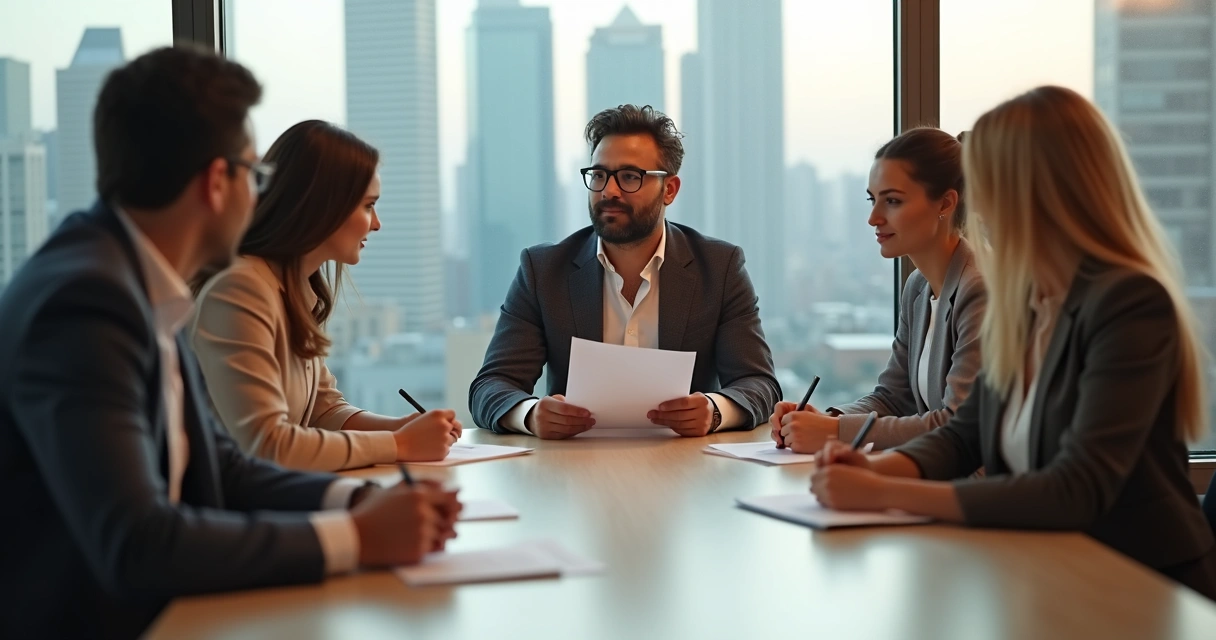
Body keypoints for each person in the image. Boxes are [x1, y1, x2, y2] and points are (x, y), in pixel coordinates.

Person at [0, 47, 460, 638]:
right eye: (255, 175)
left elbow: (224, 467)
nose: (260, 195)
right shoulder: (86, 304)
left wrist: (354, 505)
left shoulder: (131, 281)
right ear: (219, 183)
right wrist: (359, 536)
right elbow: (138, 542)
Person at [809, 86, 1216, 600]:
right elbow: (964, 436)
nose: (977, 206)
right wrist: (869, 467)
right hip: (1046, 572)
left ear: (1043, 191)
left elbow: (1076, 488)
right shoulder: (1025, 299)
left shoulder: (1129, 302)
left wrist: (886, 490)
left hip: (1140, 583)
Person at [469, 105, 781, 439]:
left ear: (670, 190)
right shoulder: (543, 271)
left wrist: (715, 410)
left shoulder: (719, 268)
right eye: (599, 175)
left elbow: (759, 383)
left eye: (630, 177)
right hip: (570, 470)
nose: (609, 191)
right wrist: (530, 415)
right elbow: (491, 386)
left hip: (687, 468)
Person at [191, 120, 460, 472]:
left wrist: (401, 428)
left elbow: (324, 410)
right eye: (367, 206)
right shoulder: (240, 290)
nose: (376, 223)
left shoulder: (293, 288)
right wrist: (400, 444)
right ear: (322, 206)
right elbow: (267, 444)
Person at [771, 128, 985, 453]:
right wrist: (822, 419)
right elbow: (893, 398)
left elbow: (955, 424)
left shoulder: (979, 290)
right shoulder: (917, 288)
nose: (873, 218)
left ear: (945, 202)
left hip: (974, 489)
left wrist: (835, 431)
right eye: (873, 200)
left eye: (893, 201)